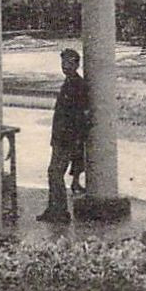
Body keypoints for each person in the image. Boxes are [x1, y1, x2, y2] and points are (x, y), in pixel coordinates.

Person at [38, 48, 91, 223]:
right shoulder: (70, 83)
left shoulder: (77, 85)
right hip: (61, 138)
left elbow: (80, 116)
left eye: (69, 63)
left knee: (55, 173)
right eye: (63, 63)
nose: (65, 66)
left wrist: (76, 139)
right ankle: (54, 208)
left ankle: (59, 211)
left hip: (67, 139)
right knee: (54, 173)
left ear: (76, 64)